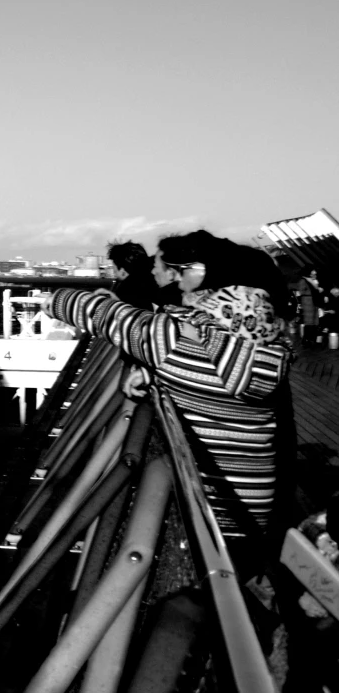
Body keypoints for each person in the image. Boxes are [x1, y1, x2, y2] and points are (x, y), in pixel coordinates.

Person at [52, 229, 294, 565]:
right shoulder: (263, 343)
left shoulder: (175, 338)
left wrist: (55, 300)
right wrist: (154, 372)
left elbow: (112, 319)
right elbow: (214, 372)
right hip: (255, 508)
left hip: (209, 513)